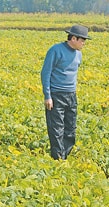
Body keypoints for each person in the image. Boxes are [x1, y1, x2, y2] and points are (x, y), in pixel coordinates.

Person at [41, 25, 91, 160]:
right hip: (56, 95)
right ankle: (57, 160)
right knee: (56, 129)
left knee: (70, 129)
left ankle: (65, 157)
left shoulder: (78, 54)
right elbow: (46, 73)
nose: (83, 44)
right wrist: (48, 96)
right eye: (82, 40)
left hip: (71, 95)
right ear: (73, 38)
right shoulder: (55, 50)